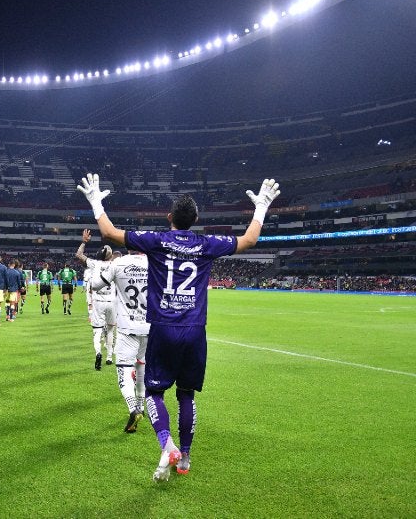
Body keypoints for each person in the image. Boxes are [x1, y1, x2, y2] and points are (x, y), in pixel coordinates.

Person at [77, 173, 281, 481]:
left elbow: (107, 233)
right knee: (187, 395)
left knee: (153, 394)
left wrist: (95, 201)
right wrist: (262, 206)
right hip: (195, 330)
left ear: (169, 217)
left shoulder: (156, 241)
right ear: (196, 218)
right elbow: (250, 240)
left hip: (162, 328)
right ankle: (184, 457)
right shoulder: (207, 244)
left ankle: (166, 444)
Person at [90, 250, 150, 434]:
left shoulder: (119, 263)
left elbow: (95, 285)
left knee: (124, 370)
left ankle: (133, 408)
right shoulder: (154, 262)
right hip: (150, 327)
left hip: (127, 329)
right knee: (141, 367)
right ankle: (141, 405)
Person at [76, 229, 116, 370]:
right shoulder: (115, 265)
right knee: (110, 330)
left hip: (98, 301)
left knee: (97, 331)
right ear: (111, 256)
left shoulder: (95, 264)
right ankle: (110, 357)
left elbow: (79, 255)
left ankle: (98, 352)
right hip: (112, 301)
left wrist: (84, 241)